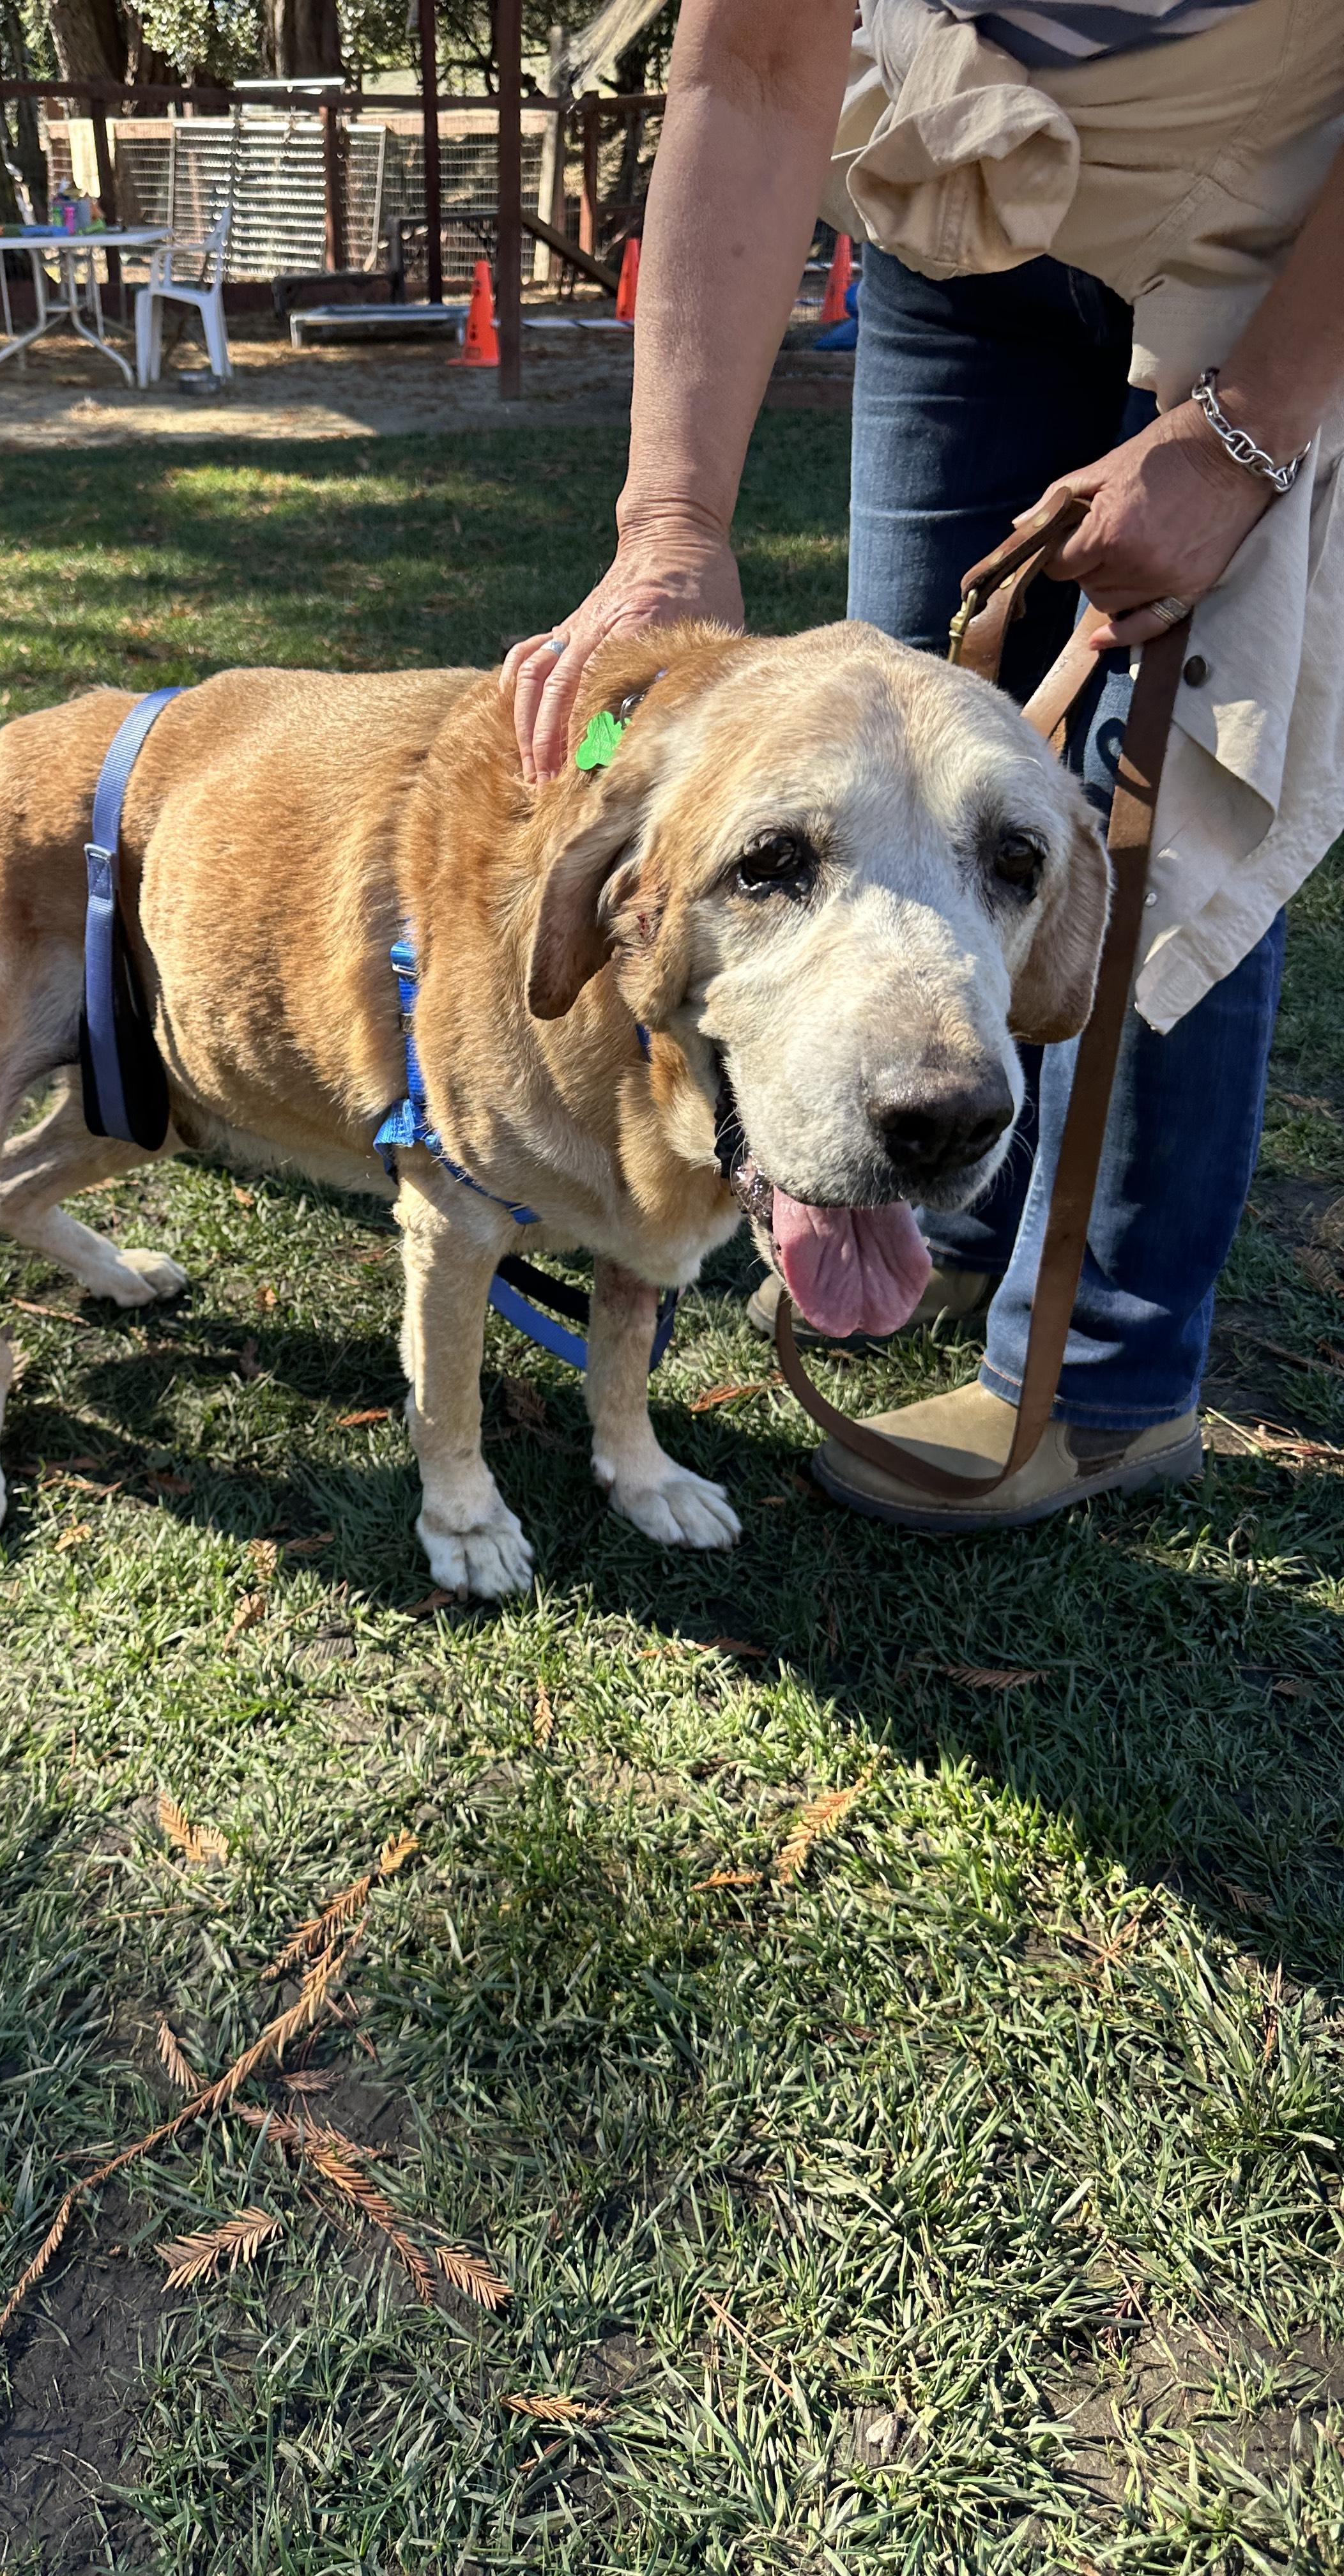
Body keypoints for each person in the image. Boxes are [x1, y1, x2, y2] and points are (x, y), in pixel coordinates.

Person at [504, 0, 1344, 1532]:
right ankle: (933, 1225)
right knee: (902, 746)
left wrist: (1249, 435)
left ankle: (1100, 1381)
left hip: (1293, 218)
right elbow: (755, 60)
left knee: (1177, 801)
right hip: (960, 193)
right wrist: (670, 523)